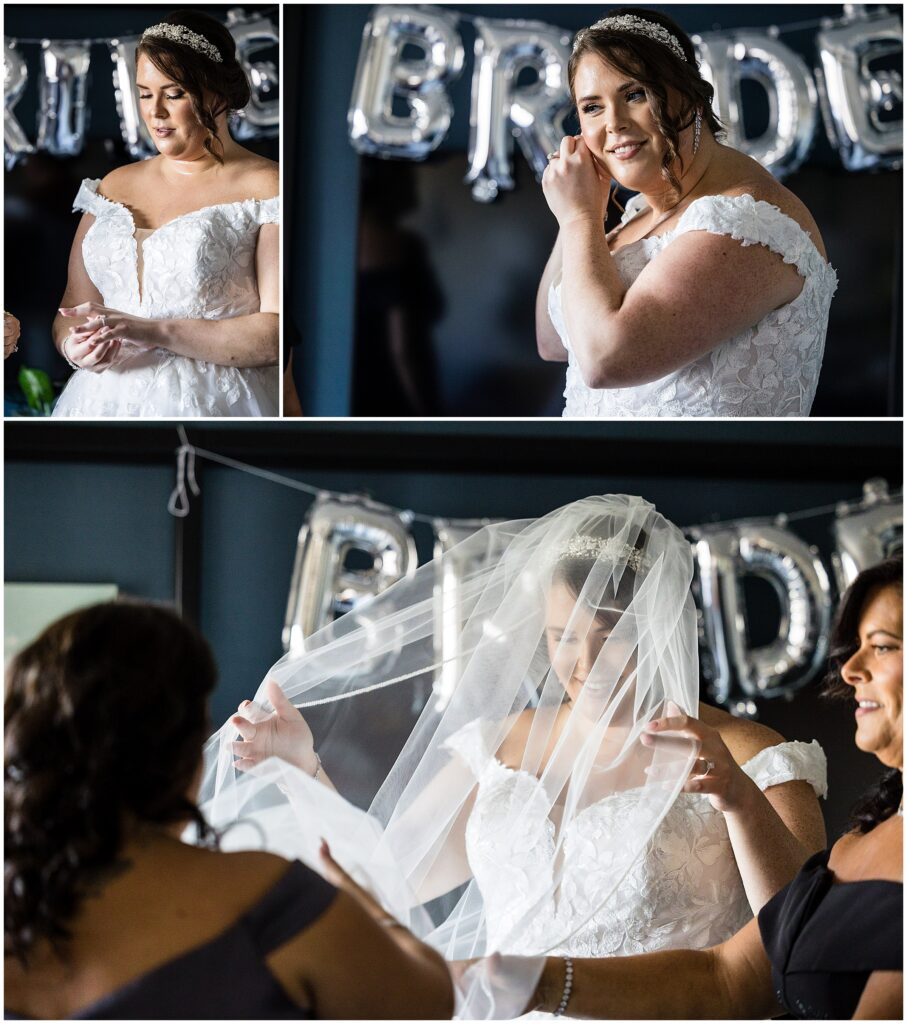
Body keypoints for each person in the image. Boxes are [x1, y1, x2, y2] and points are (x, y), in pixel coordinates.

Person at [222, 495, 826, 978]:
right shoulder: (501, 745)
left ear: (663, 625)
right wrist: (303, 769)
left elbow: (809, 941)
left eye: (610, 634)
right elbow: (386, 881)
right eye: (564, 634)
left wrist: (740, 798)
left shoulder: (756, 757)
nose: (584, 660)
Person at [3, 601, 454, 1019]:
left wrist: (302, 771)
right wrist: (366, 901)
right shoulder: (267, 900)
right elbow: (428, 1000)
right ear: (182, 758)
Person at [526, 558, 902, 1019]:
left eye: (883, 647)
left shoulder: (757, 752)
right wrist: (540, 983)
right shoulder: (860, 843)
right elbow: (728, 979)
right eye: (562, 636)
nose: (851, 669)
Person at [536, 8, 837, 418]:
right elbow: (553, 341)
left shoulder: (744, 225)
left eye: (635, 95)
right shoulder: (645, 212)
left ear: (690, 95)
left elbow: (604, 359)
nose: (614, 124)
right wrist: (583, 206)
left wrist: (579, 219)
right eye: (592, 107)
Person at [51, 10, 279, 417]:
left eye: (173, 94)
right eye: (144, 93)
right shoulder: (111, 186)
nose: (155, 112)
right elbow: (72, 307)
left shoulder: (268, 187)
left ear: (218, 94)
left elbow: (273, 334)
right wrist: (75, 347)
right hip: (99, 405)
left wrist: (153, 332)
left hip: (215, 404)